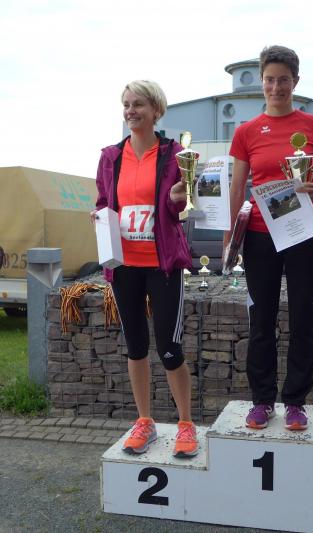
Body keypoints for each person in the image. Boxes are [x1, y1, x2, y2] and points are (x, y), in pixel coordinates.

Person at [225, 45, 313, 431]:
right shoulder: (246, 131)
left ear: (296, 82)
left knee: (303, 317)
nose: (276, 87)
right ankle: (261, 401)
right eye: (270, 80)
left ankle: (295, 403)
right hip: (260, 235)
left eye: (283, 80)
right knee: (262, 320)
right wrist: (230, 237)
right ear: (261, 81)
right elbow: (237, 187)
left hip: (305, 234)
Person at [92, 80, 197, 458]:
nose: (130, 111)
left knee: (169, 348)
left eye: (138, 104)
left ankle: (185, 424)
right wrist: (99, 215)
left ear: (156, 110)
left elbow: (181, 205)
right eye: (126, 104)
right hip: (124, 266)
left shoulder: (174, 154)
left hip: (161, 265)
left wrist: (177, 198)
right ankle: (144, 421)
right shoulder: (111, 156)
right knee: (135, 346)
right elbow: (104, 200)